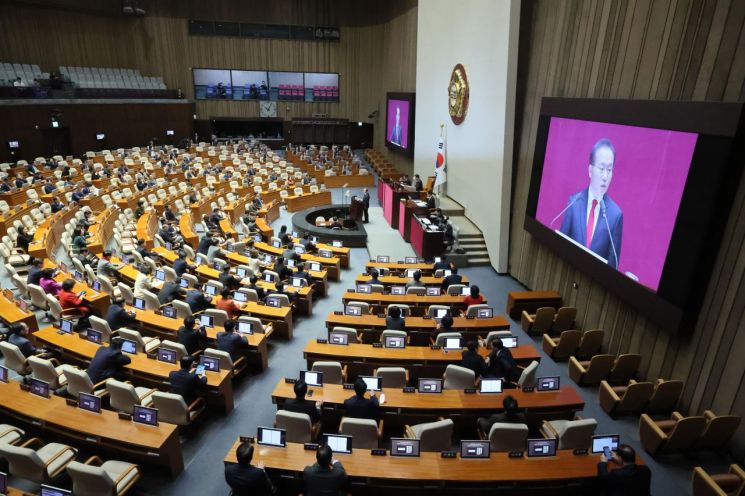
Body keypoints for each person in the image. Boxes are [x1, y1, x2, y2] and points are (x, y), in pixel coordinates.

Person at [559, 138, 623, 269]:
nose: (605, 176)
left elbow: (613, 266)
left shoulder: (616, 215)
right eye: (601, 168)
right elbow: (560, 247)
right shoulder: (574, 203)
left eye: (609, 170)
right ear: (590, 170)